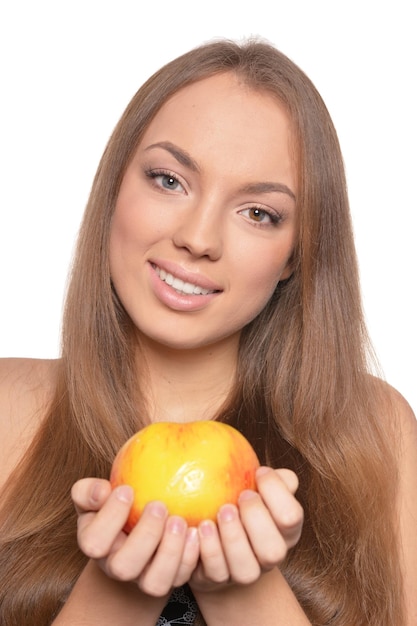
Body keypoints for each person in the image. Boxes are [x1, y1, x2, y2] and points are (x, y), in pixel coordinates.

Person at [0, 37, 416, 626]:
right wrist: (116, 593)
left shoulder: (373, 432)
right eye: (169, 180)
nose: (199, 238)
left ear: (296, 254)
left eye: (258, 213)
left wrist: (242, 591)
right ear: (115, 185)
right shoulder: (6, 411)